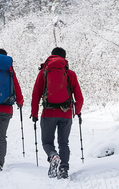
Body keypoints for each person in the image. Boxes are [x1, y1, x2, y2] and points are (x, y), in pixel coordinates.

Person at [30, 47, 83, 179]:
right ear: (64, 59)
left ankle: (53, 156)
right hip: (66, 114)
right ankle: (64, 169)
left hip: (48, 113)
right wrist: (77, 111)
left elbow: (36, 94)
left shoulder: (44, 73)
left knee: (47, 142)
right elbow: (79, 97)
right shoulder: (70, 74)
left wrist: (34, 113)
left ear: (51, 56)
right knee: (64, 143)